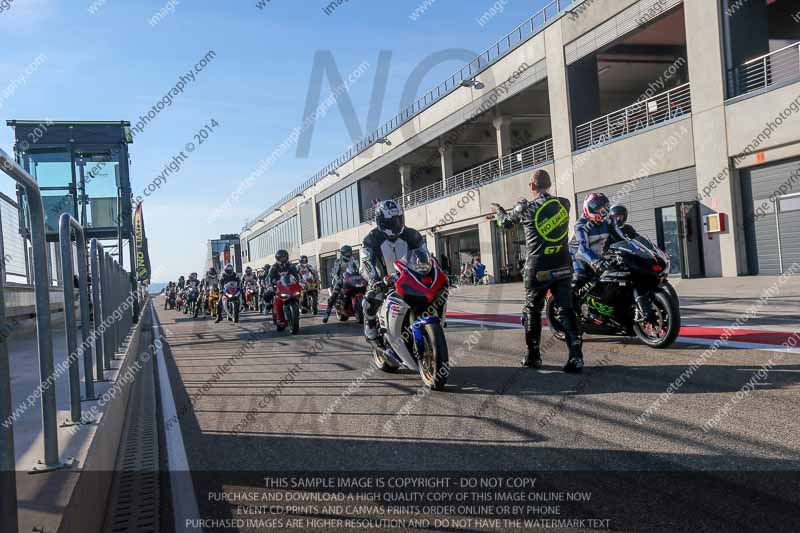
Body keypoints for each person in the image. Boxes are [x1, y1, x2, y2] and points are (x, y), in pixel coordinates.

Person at [492, 169, 584, 373]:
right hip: (562, 265)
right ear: (549, 184)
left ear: (533, 185)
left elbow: (503, 223)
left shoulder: (526, 208)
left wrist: (500, 209)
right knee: (566, 311)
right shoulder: (564, 203)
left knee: (532, 311)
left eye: (530, 184)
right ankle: (576, 358)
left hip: (538, 268)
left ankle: (533, 356)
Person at [361, 199, 428, 341]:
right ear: (381, 221)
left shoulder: (412, 235)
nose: (396, 224)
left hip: (411, 278)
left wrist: (434, 270)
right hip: (384, 282)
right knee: (370, 299)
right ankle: (371, 325)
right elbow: (366, 261)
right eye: (392, 222)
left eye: (399, 220)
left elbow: (426, 255)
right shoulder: (371, 239)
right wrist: (374, 280)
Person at [569, 192, 612, 302]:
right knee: (579, 280)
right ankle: (572, 307)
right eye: (597, 208)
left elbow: (622, 238)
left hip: (598, 257)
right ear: (589, 208)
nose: (601, 211)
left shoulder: (607, 222)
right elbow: (583, 249)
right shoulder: (581, 225)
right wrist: (596, 262)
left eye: (603, 207)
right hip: (578, 258)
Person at [322, 245, 359, 323]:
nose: (348, 254)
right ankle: (326, 314)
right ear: (343, 253)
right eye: (347, 253)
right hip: (342, 281)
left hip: (354, 280)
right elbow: (335, 273)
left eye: (349, 252)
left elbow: (360, 270)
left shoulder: (355, 261)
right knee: (334, 295)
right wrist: (338, 278)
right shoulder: (338, 262)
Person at [266, 250, 301, 328]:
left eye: (284, 257)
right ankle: (280, 319)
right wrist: (269, 285)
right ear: (278, 258)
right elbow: (269, 277)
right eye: (281, 257)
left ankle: (296, 313)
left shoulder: (291, 266)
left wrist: (300, 282)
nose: (283, 259)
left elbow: (296, 275)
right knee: (278, 302)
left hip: (289, 286)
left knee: (297, 296)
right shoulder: (274, 267)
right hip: (278, 286)